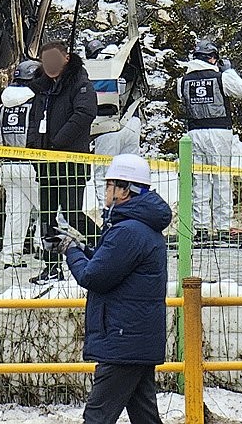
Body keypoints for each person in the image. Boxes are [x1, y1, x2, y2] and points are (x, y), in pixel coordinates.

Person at [52, 154, 172, 424]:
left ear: (125, 190)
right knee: (144, 416)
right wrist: (81, 248)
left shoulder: (128, 231)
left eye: (109, 185)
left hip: (122, 340)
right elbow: (111, 263)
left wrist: (70, 250)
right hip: (133, 338)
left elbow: (94, 277)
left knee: (97, 417)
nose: (105, 191)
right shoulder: (137, 227)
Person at [29, 41, 99, 285]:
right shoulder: (42, 88)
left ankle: (103, 249)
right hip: (46, 162)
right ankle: (51, 267)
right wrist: (34, 149)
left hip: (70, 160)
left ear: (66, 58)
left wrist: (58, 142)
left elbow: (85, 114)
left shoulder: (80, 83)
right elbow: (34, 119)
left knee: (71, 213)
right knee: (47, 217)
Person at [177, 39, 242, 245]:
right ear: (213, 58)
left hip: (194, 132)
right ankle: (223, 227)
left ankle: (200, 228)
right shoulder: (221, 77)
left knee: (199, 181)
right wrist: (229, 71)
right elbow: (241, 91)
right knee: (221, 179)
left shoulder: (183, 81)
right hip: (219, 131)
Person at [0, 59, 43, 268]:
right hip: (30, 165)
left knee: (15, 212)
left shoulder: (2, 107)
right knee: (47, 208)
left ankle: (10, 257)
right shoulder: (36, 103)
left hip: (8, 166)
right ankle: (42, 247)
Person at [91, 108, 143, 207]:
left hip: (106, 120)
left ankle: (107, 213)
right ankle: (129, 211)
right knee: (130, 173)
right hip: (131, 116)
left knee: (104, 174)